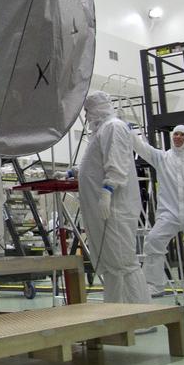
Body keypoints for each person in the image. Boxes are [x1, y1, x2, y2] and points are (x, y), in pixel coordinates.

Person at [71, 91, 150, 307]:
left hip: (115, 207)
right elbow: (97, 164)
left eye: (89, 110)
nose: (87, 115)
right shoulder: (102, 131)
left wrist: (107, 190)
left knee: (123, 262)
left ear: (99, 107)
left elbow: (116, 163)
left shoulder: (113, 127)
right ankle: (117, 313)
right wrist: (75, 173)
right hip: (106, 209)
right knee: (112, 264)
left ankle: (139, 315)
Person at [133, 125, 184, 311]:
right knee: (153, 240)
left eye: (182, 134)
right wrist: (128, 132)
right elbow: (142, 148)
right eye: (175, 134)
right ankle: (155, 284)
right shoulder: (163, 158)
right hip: (169, 213)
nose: (177, 137)